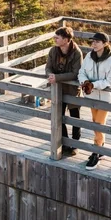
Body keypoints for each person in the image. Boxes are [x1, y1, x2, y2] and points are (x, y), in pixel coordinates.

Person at [78, 32, 111, 170]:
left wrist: (94, 85)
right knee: (96, 122)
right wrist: (85, 82)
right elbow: (81, 72)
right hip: (91, 96)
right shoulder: (89, 56)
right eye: (93, 41)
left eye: (97, 42)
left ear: (105, 44)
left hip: (105, 98)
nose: (93, 44)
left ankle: (96, 152)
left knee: (98, 124)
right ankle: (101, 148)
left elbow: (109, 81)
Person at [46, 26, 83, 155]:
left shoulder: (76, 53)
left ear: (66, 39)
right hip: (58, 89)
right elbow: (48, 67)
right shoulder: (53, 51)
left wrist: (57, 77)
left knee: (75, 117)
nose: (54, 39)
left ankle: (75, 144)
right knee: (59, 116)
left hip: (72, 89)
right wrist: (50, 75)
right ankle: (65, 143)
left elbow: (75, 73)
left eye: (57, 37)